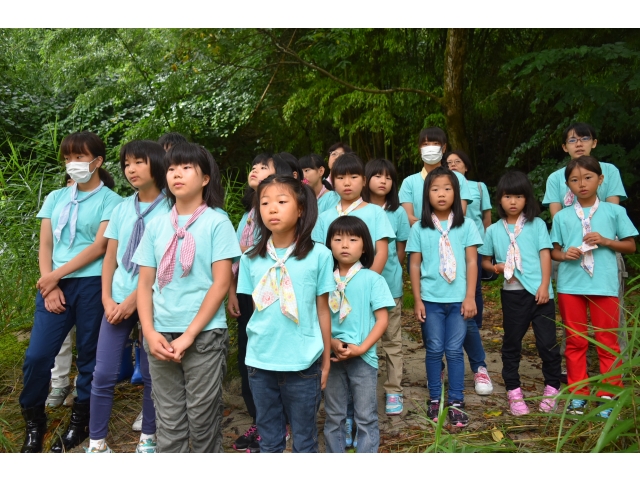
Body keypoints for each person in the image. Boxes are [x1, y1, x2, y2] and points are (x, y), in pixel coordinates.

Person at [19, 132, 123, 453]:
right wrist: (48, 282)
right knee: (37, 356)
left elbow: (99, 247)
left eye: (79, 157)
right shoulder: (55, 197)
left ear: (97, 161)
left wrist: (55, 277)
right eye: (67, 158)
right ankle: (35, 422)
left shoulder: (112, 201)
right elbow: (46, 244)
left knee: (90, 356)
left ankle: (81, 421)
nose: (72, 164)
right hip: (55, 286)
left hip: (93, 284)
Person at [133, 143, 240, 452]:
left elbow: (220, 284)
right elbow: (144, 285)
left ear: (205, 178)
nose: (176, 174)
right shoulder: (155, 226)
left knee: (203, 421)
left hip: (204, 336)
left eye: (185, 167)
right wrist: (149, 332)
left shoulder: (217, 223)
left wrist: (189, 335)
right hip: (160, 335)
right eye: (170, 168)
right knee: (169, 422)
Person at [236, 175, 334, 453]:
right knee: (269, 441)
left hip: (303, 364)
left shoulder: (320, 256)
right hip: (261, 363)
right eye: (265, 203)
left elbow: (322, 310)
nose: (272, 209)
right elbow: (253, 314)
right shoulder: (250, 259)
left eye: (281, 201)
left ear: (301, 208)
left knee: (304, 441)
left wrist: (325, 361)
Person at [85, 140, 170, 453]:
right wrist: (107, 299)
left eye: (139, 162)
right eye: (126, 164)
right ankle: (96, 443)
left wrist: (134, 300)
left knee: (152, 373)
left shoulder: (171, 209)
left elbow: (165, 263)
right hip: (116, 300)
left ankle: (148, 437)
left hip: (153, 302)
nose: (131, 169)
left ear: (157, 164)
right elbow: (110, 258)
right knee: (103, 372)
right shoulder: (121, 208)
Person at [550, 156, 637, 418]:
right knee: (575, 340)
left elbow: (631, 246)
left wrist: (607, 241)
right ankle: (578, 393)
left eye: (588, 178)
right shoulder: (563, 217)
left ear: (600, 180)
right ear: (568, 186)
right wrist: (566, 254)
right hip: (570, 285)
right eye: (575, 180)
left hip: (604, 284)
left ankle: (609, 393)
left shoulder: (615, 212)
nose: (582, 184)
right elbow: (554, 252)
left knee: (607, 340)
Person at [543, 122, 629, 357]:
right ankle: (569, 367)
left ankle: (616, 371)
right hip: (570, 251)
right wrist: (564, 244)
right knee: (571, 316)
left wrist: (604, 239)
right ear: (564, 147)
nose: (578, 143)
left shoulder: (609, 171)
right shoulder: (555, 178)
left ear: (594, 142)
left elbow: (614, 212)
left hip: (605, 249)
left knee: (612, 315)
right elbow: (557, 215)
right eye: (572, 140)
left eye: (584, 138)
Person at [479, 171, 562, 416]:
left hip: (540, 294)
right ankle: (514, 392)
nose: (513, 202)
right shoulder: (494, 230)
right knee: (512, 343)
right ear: (500, 199)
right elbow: (484, 260)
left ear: (527, 199)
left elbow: (545, 254)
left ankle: (552, 388)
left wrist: (545, 285)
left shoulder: (537, 225)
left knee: (547, 344)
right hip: (513, 294)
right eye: (507, 196)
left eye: (518, 196)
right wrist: (495, 267)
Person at [227, 153, 293, 453]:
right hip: (247, 291)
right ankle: (262, 420)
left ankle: (285, 422)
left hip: (277, 291)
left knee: (278, 355)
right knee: (249, 355)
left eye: (263, 166)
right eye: (252, 166)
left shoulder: (284, 215)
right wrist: (232, 293)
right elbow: (237, 259)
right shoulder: (248, 214)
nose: (255, 170)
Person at [406, 166, 482, 428]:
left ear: (456, 193)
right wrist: (417, 300)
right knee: (434, 348)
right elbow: (414, 265)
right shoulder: (420, 229)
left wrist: (470, 296)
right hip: (431, 300)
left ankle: (457, 401)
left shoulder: (467, 225)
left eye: (447, 189)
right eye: (435, 189)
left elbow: (472, 262)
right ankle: (435, 399)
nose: (441, 194)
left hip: (459, 299)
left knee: (453, 350)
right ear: (427, 194)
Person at [323, 216, 394, 453]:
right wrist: (330, 342)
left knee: (366, 415)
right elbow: (317, 316)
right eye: (338, 239)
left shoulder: (373, 279)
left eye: (353, 239)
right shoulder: (323, 280)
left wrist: (362, 348)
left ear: (364, 246)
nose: (345, 245)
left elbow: (382, 319)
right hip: (331, 356)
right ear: (329, 244)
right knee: (334, 416)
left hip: (364, 358)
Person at [362, 159, 410, 415]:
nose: (383, 180)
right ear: (366, 178)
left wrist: (387, 274)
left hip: (389, 287)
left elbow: (399, 251)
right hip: (356, 288)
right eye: (378, 175)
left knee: (392, 340)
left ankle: (393, 389)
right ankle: (363, 391)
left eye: (389, 177)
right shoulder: (359, 209)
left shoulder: (398, 212)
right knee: (363, 340)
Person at [443, 150, 494, 395]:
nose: (452, 166)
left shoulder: (468, 184)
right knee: (434, 320)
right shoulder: (418, 181)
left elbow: (466, 217)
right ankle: (442, 367)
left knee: (467, 316)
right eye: (449, 163)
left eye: (457, 162)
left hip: (466, 251)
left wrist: (489, 247)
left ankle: (479, 367)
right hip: (436, 260)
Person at [312, 153, 395, 275]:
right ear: (333, 183)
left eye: (354, 177)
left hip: (367, 284)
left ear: (364, 181)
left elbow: (381, 252)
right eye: (340, 178)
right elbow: (318, 255)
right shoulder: (324, 217)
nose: (347, 183)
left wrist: (369, 281)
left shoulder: (376, 212)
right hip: (332, 287)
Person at [399, 127, 472, 227]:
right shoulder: (409, 182)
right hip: (421, 239)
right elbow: (409, 218)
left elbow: (461, 213)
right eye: (425, 144)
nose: (430, 148)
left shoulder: (458, 179)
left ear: (444, 147)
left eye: (436, 144)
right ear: (419, 149)